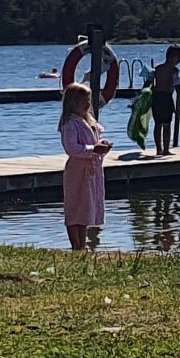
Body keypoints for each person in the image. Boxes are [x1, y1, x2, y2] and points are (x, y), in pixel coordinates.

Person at [58, 81, 112, 250]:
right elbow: (71, 148)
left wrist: (102, 146)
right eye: (84, 101)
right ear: (73, 102)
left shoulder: (89, 122)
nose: (88, 104)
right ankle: (75, 244)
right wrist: (93, 149)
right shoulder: (70, 123)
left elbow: (95, 142)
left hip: (91, 170)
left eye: (88, 100)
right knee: (74, 206)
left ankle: (83, 243)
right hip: (77, 170)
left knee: (86, 207)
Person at [150, 44, 180, 156]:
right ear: (172, 57)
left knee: (158, 124)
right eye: (178, 58)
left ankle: (159, 149)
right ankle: (165, 149)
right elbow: (177, 86)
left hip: (156, 97)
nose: (179, 61)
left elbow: (148, 82)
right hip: (165, 97)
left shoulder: (157, 68)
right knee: (166, 124)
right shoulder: (174, 70)